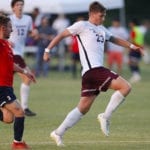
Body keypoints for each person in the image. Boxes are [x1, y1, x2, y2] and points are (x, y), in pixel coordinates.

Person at [43, 1, 143, 146]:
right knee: (125, 87)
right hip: (94, 70)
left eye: (104, 16)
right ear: (92, 14)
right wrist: (47, 50)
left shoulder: (101, 28)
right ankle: (105, 116)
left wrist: (131, 45)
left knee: (82, 108)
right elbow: (62, 35)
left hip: (90, 74)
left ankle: (58, 133)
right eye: (100, 16)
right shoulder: (82, 25)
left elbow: (114, 39)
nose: (102, 19)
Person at [0, 15, 36, 149]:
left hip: (7, 87)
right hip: (1, 87)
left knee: (8, 118)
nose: (12, 30)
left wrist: (26, 72)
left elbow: (11, 64)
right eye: (10, 27)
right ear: (2, 28)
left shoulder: (6, 44)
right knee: (19, 112)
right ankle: (17, 144)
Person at [8, 0, 36, 116]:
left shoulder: (28, 19)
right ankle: (24, 107)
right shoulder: (9, 19)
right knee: (27, 77)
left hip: (19, 52)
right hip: (12, 53)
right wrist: (7, 40)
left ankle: (17, 105)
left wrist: (34, 33)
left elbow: (30, 32)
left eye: (21, 5)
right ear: (13, 8)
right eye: (17, 5)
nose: (20, 7)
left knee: (6, 81)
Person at [128, 18, 144, 83]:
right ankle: (137, 76)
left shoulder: (133, 30)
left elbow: (132, 40)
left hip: (135, 48)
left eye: (130, 23)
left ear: (133, 23)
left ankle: (136, 76)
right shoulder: (140, 30)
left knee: (131, 62)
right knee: (135, 62)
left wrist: (129, 48)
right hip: (140, 48)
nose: (129, 24)